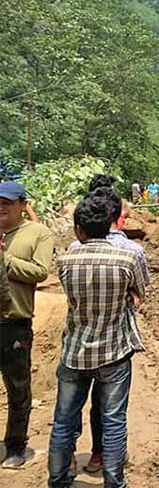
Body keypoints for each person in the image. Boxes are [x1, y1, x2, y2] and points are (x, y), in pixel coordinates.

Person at [48, 195, 146, 488]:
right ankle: (113, 482)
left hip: (75, 351)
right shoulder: (128, 257)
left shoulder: (66, 259)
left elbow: (71, 295)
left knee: (64, 421)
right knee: (113, 421)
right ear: (111, 225)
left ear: (78, 229)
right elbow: (139, 292)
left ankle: (58, 479)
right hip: (114, 352)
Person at [0, 181, 52, 469]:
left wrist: (4, 259)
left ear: (22, 204)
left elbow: (40, 272)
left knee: (18, 387)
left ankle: (16, 446)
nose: (1, 207)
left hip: (14, 323)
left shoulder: (37, 233)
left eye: (7, 202)